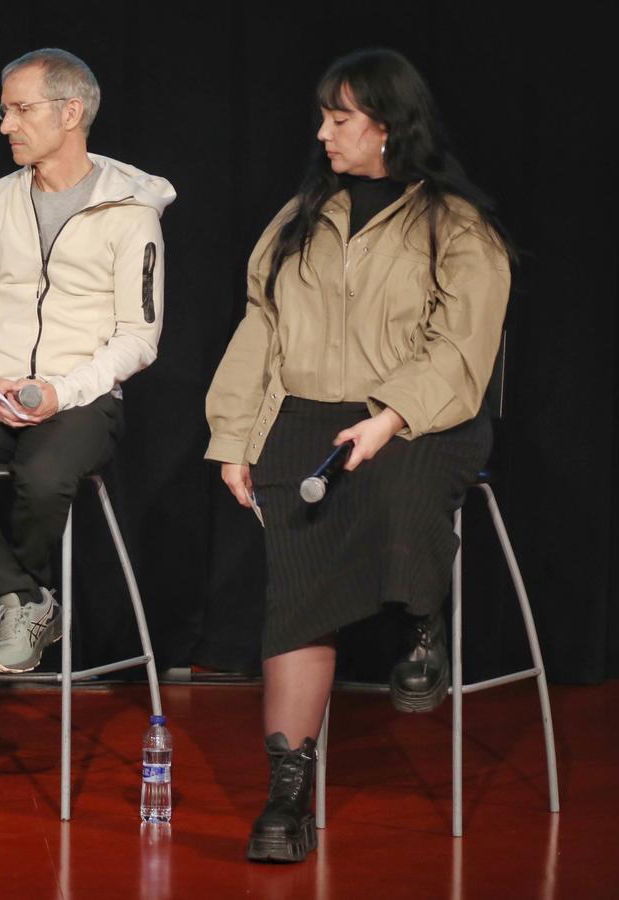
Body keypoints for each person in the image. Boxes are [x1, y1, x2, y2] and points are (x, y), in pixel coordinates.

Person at [204, 48, 512, 863]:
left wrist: (391, 415)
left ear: (388, 124)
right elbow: (258, 329)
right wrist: (235, 437)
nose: (324, 132)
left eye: (341, 118)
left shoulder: (454, 220)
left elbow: (464, 343)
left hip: (425, 413)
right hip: (306, 413)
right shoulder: (301, 216)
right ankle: (288, 787)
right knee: (297, 588)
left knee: (399, 471)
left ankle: (419, 623)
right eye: (325, 117)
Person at [0, 48, 174, 674]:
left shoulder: (130, 213)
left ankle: (13, 597)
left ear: (71, 112)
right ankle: (23, 597)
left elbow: (140, 336)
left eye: (21, 109)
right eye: (5, 110)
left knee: (46, 474)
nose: (5, 125)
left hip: (80, 395)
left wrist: (62, 391)